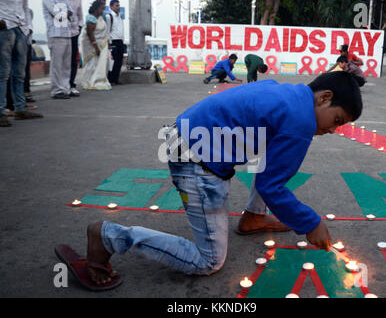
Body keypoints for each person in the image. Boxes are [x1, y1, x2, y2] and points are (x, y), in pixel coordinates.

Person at [55, 71, 363, 289]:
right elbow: (272, 185)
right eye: (337, 120)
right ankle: (109, 235)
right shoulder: (301, 121)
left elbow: (273, 171)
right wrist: (310, 223)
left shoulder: (287, 93)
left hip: (185, 136)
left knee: (273, 159)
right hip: (196, 163)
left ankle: (254, 217)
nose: (333, 130)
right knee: (208, 261)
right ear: (324, 97)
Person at [0, 0, 43, 127]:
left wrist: (28, 27)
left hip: (21, 28)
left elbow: (25, 7)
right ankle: (1, 112)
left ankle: (20, 108)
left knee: (19, 73)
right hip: (4, 25)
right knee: (3, 73)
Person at [42, 0, 74, 99]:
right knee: (57, 65)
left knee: (66, 65)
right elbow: (56, 15)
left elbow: (71, 13)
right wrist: (64, 14)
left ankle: (66, 89)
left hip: (67, 34)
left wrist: (63, 14)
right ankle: (57, 90)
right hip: (55, 34)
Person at [80, 0, 111, 91]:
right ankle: (90, 81)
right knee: (92, 63)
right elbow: (90, 34)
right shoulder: (91, 18)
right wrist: (96, 47)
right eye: (102, 9)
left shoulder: (101, 18)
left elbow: (105, 32)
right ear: (96, 8)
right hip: (91, 45)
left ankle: (98, 80)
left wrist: (107, 42)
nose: (102, 11)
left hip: (101, 43)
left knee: (99, 63)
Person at [67, 0, 84, 97]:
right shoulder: (61, 0)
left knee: (73, 60)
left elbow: (80, 15)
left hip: (74, 33)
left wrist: (79, 27)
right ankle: (62, 86)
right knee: (64, 61)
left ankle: (71, 85)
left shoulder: (78, 0)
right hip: (63, 33)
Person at [106, 0, 125, 86]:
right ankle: (110, 79)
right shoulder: (109, 16)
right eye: (116, 5)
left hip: (120, 41)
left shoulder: (120, 17)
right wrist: (109, 43)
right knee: (112, 62)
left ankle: (116, 79)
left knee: (119, 61)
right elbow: (107, 30)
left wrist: (123, 40)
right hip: (113, 41)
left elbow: (121, 29)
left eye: (118, 5)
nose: (118, 7)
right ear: (111, 6)